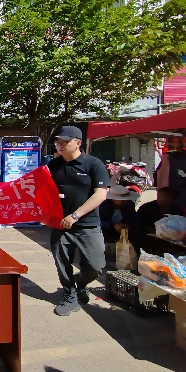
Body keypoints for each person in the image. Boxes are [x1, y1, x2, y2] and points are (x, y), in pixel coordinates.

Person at [47, 126, 110, 316]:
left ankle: (80, 283)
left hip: (87, 225)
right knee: (62, 263)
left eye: (65, 142)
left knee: (95, 266)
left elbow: (101, 195)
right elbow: (42, 191)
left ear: (78, 143)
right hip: (60, 224)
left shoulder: (93, 164)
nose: (60, 145)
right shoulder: (53, 165)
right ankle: (70, 295)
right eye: (58, 142)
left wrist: (75, 215)